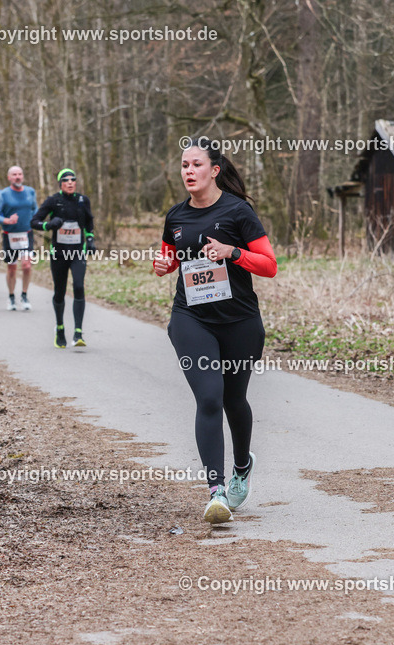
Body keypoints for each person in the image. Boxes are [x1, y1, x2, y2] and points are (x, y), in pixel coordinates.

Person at [152, 136, 278, 524]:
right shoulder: (176, 217)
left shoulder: (238, 212)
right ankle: (216, 491)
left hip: (239, 320)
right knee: (209, 397)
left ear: (215, 170)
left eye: (196, 165)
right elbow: (170, 259)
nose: (189, 171)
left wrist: (232, 252)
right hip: (192, 318)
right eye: (185, 166)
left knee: (234, 400)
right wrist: (163, 265)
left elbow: (270, 265)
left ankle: (242, 467)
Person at [30, 168, 95, 347]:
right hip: (58, 253)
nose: (70, 182)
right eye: (65, 180)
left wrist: (90, 238)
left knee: (79, 286)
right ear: (60, 183)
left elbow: (89, 221)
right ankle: (59, 327)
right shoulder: (53, 201)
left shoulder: (83, 200)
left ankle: (78, 333)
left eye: (73, 179)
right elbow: (34, 222)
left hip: (77, 252)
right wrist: (49, 225)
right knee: (60, 291)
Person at [0, 166, 38, 311]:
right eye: (14, 174)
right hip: (10, 235)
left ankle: (24, 295)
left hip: (26, 234)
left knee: (26, 265)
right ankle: (11, 296)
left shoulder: (30, 191)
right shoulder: (4, 194)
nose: (17, 177)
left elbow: (35, 209)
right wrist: (6, 221)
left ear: (23, 176)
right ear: (9, 177)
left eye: (20, 174)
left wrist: (36, 220)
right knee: (12, 268)